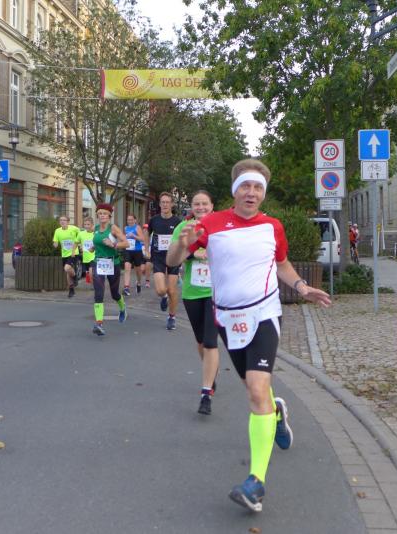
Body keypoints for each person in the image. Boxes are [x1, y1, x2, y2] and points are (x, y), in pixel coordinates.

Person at [167, 159, 332, 513]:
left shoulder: (273, 227)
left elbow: (282, 263)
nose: (251, 193)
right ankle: (276, 413)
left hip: (263, 314)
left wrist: (302, 287)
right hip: (228, 318)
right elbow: (173, 259)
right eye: (245, 186)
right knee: (254, 389)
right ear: (235, 191)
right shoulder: (210, 223)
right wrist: (182, 244)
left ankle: (256, 482)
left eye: (258, 187)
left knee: (257, 389)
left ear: (263, 193)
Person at [170, 191, 219, 415]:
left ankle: (205, 393)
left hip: (216, 292)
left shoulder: (219, 226)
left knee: (210, 341)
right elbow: (173, 257)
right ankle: (210, 371)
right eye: (196, 204)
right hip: (192, 291)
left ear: (212, 205)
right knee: (200, 340)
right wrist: (191, 253)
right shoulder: (184, 227)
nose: (200, 207)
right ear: (191, 206)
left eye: (204, 203)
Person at [91, 204, 129, 336]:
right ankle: (99, 323)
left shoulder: (113, 228)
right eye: (100, 213)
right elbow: (97, 243)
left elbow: (126, 243)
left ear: (109, 216)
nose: (102, 216)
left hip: (113, 263)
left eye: (104, 213)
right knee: (98, 293)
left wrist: (113, 244)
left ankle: (122, 308)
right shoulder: (95, 229)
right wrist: (93, 248)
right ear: (97, 215)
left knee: (114, 294)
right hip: (98, 263)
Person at [146, 192, 181, 330]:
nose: (165, 204)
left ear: (172, 204)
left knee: (172, 290)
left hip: (174, 258)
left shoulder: (177, 222)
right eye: (163, 202)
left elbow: (182, 239)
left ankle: (172, 317)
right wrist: (146, 249)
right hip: (158, 257)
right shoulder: (154, 220)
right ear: (160, 204)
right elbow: (147, 234)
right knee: (161, 290)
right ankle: (164, 296)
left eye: (167, 202)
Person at [52, 215, 81, 298]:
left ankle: (75, 277)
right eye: (60, 220)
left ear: (68, 222)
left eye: (64, 220)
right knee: (68, 272)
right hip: (64, 254)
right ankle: (71, 290)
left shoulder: (74, 228)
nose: (62, 221)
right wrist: (55, 244)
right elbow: (55, 241)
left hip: (73, 253)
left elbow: (81, 235)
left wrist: (80, 243)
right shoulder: (57, 231)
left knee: (67, 268)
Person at [122, 214, 147, 296]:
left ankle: (139, 282)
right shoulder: (125, 228)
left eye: (131, 220)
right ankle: (126, 287)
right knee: (127, 267)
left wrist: (134, 236)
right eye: (128, 220)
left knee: (138, 270)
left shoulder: (137, 227)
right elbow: (124, 238)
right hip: (128, 250)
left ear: (135, 220)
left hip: (137, 251)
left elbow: (142, 239)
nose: (130, 221)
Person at [77, 217, 95, 284]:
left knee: (91, 272)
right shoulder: (81, 233)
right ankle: (94, 285)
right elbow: (76, 242)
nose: (86, 226)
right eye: (85, 224)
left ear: (92, 225)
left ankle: (96, 287)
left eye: (88, 224)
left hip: (94, 257)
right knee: (89, 275)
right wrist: (80, 246)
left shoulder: (95, 233)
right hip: (85, 257)